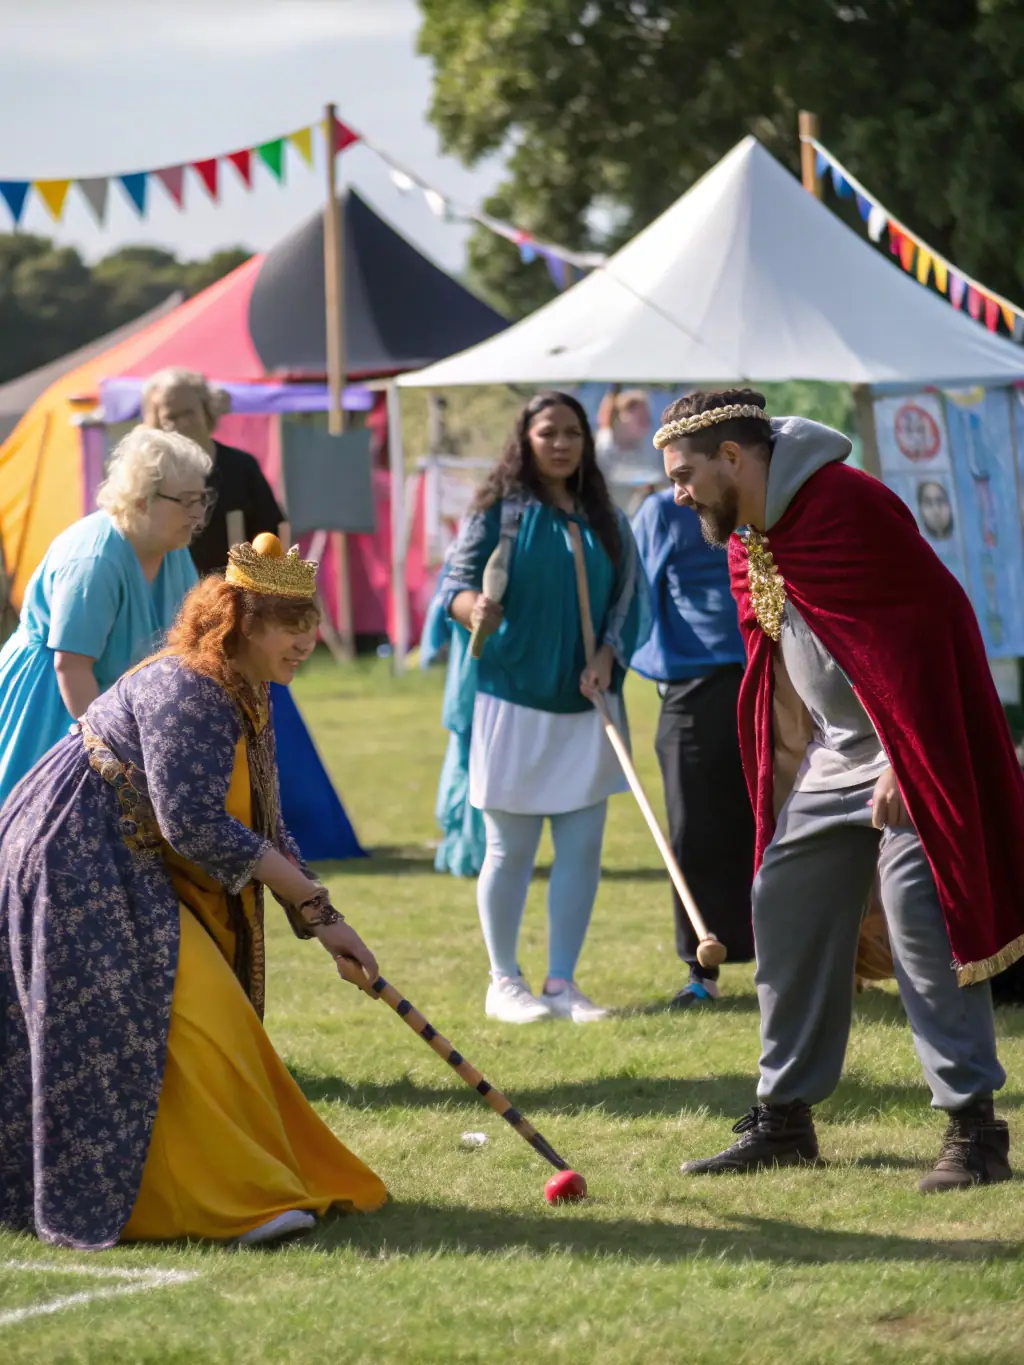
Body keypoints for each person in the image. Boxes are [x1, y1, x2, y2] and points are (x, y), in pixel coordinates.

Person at [658, 389, 1024, 1193]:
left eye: (685, 475)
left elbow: (929, 629)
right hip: (837, 752)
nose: (678, 493)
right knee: (783, 901)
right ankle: (785, 1118)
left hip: (912, 744)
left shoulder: (844, 506)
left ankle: (975, 1130)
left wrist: (907, 754)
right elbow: (786, 661)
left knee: (922, 920)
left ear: (732, 458)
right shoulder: (750, 534)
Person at [0, 534, 386, 1249]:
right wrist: (310, 903)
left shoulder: (245, 690)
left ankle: (253, 1178)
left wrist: (323, 918)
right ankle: (220, 1203)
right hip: (68, 863)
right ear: (241, 623)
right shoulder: (192, 690)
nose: (306, 638)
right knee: (162, 1023)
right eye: (287, 623)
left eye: (310, 620)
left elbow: (262, 822)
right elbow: (197, 826)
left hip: (123, 860)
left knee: (215, 1016)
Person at [441, 392, 650, 1024]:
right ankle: (504, 981)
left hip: (588, 704)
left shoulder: (606, 517)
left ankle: (562, 984)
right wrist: (472, 608)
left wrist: (608, 658)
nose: (560, 444)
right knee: (510, 849)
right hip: (513, 701)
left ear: (587, 442)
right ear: (525, 442)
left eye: (571, 434)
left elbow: (630, 601)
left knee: (582, 848)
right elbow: (454, 587)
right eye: (547, 433)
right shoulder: (499, 512)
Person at [0, 426, 209, 808]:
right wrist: (110, 754)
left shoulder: (173, 548)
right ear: (142, 501)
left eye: (202, 500)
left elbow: (188, 648)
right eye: (186, 501)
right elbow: (72, 666)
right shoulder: (94, 559)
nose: (197, 514)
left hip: (116, 705)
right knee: (41, 820)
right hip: (53, 699)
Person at [630, 489, 754, 1008]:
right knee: (694, 831)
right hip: (692, 688)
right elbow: (633, 595)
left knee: (775, 828)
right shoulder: (662, 512)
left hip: (767, 681)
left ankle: (791, 960)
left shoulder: (760, 501)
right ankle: (700, 973)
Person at [142, 367, 287, 577]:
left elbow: (272, 535)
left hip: (235, 597)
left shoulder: (241, 468)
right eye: (171, 417)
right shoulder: (153, 478)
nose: (182, 423)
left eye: (189, 413)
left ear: (207, 411)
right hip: (175, 599)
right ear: (156, 424)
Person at [595, 389, 664, 514]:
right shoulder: (600, 448)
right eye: (641, 419)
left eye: (647, 418)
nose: (647, 424)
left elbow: (657, 476)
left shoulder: (650, 445)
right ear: (622, 417)